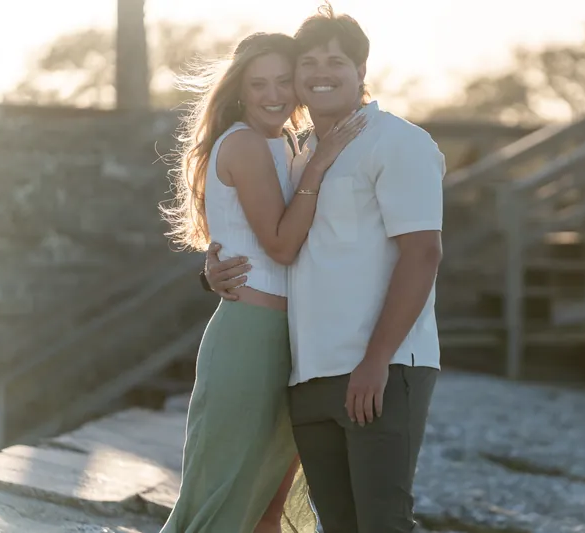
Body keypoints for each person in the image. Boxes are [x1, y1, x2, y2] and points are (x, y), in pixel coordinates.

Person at [203, 5, 446, 533]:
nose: (320, 72)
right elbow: (268, 237)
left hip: (381, 368)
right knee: (336, 524)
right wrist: (215, 266)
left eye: (336, 60)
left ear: (362, 71)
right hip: (306, 371)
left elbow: (423, 253)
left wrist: (376, 360)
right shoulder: (300, 152)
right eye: (308, 61)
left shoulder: (399, 141)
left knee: (382, 522)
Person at [159, 30, 365, 533]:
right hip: (251, 337)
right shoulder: (247, 144)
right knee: (226, 500)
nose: (274, 95)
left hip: (289, 339)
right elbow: (280, 245)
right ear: (238, 90)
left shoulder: (284, 143)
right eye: (259, 84)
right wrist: (320, 163)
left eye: (282, 81)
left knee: (269, 504)